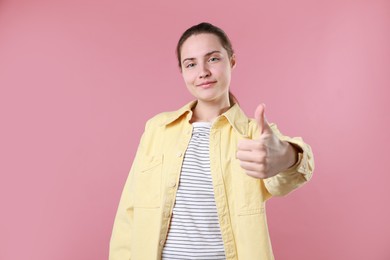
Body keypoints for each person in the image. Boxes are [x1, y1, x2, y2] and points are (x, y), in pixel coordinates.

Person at [109, 22, 314, 260]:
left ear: (232, 62)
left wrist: (288, 157)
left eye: (213, 59)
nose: (203, 71)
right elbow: (129, 212)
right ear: (183, 72)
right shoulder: (157, 129)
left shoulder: (254, 134)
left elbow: (286, 178)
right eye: (191, 64)